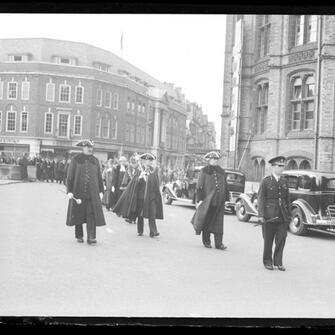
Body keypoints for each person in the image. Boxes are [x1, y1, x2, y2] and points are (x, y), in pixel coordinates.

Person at [113, 153, 163, 237]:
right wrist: (140, 178)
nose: (150, 162)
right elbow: (133, 181)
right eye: (149, 160)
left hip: (151, 196)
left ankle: (153, 231)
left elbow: (157, 183)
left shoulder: (153, 170)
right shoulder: (139, 170)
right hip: (141, 196)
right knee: (140, 214)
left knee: (152, 213)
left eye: (151, 160)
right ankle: (140, 230)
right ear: (144, 161)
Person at [66, 140, 106, 245]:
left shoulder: (95, 161)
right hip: (78, 192)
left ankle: (91, 237)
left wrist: (101, 191)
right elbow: (70, 176)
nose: (90, 149)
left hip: (92, 193)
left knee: (91, 214)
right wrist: (69, 191)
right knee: (78, 214)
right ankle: (79, 235)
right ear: (82, 148)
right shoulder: (75, 160)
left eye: (91, 147)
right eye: (87, 147)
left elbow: (99, 177)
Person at [257, 156, 291, 271]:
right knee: (268, 240)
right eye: (279, 166)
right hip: (269, 216)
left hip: (282, 216)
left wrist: (289, 215)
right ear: (273, 167)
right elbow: (261, 198)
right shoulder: (266, 181)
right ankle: (267, 261)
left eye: (282, 166)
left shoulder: (284, 181)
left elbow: (287, 199)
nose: (281, 168)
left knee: (281, 239)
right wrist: (261, 215)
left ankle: (278, 262)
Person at [191, 151, 229, 250]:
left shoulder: (222, 171)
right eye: (212, 159)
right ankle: (206, 241)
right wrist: (199, 200)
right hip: (208, 201)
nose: (214, 161)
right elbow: (199, 186)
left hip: (220, 201)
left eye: (216, 159)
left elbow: (226, 186)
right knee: (207, 221)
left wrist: (227, 199)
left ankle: (219, 243)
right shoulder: (204, 171)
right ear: (209, 160)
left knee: (219, 222)